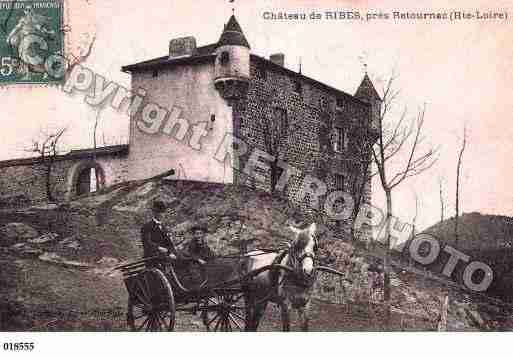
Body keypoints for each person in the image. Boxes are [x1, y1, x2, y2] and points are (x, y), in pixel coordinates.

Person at [141, 199, 178, 268]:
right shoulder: (147, 226)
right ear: (154, 212)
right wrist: (159, 248)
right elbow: (147, 243)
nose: (161, 214)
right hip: (152, 257)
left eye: (163, 212)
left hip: (164, 256)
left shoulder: (164, 228)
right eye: (159, 212)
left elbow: (169, 243)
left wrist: (172, 252)